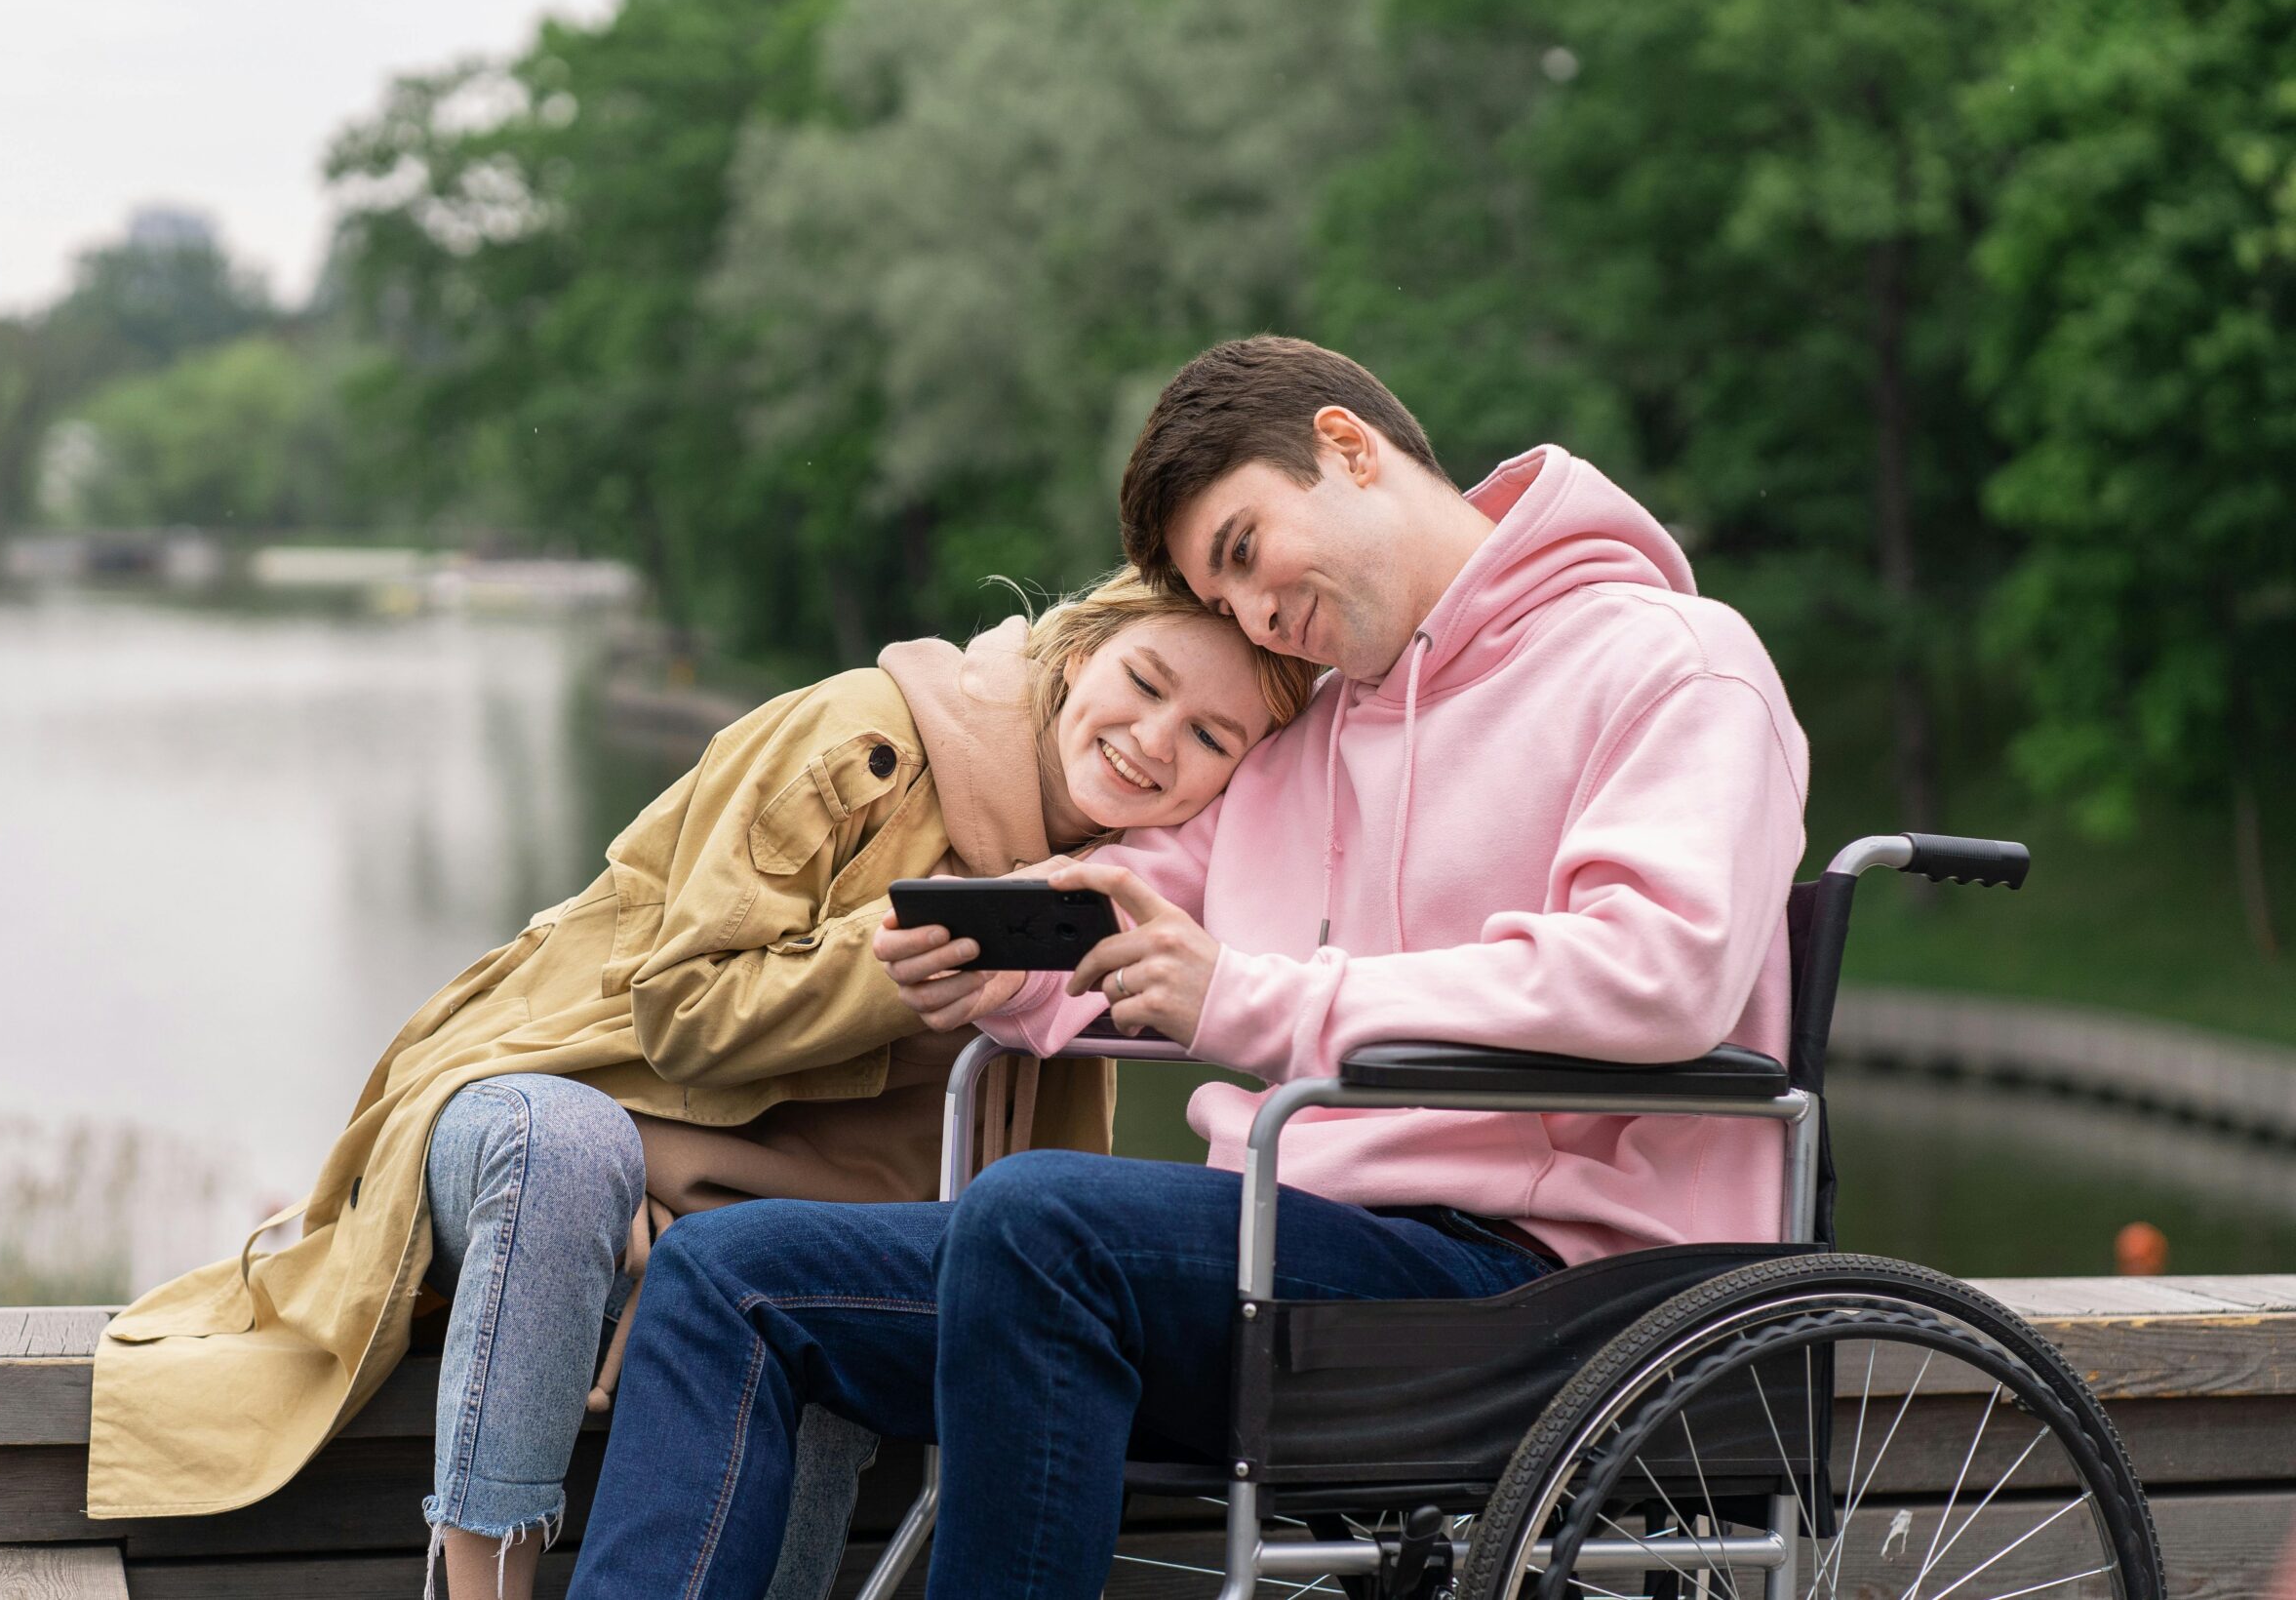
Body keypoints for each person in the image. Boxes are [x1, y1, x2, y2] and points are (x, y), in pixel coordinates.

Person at [562, 336, 1810, 1600]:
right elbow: (1123, 907)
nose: (1260, 617)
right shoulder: (1305, 742)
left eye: (1245, 551)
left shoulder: (1675, 662)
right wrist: (985, 955)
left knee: (1044, 1218)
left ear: (1347, 446)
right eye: (1225, 602)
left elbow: (1661, 970)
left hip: (1551, 1287)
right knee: (734, 1273)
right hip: (1293, 1258)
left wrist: (1256, 1000)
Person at [83, 567, 1317, 1600]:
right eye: (1144, 684)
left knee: (804, 1278)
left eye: (1211, 736)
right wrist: (883, 969)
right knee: (570, 1156)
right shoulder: (859, 735)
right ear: (1077, 650)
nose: (1155, 740)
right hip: (554, 1108)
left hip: (756, 1227)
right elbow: (676, 1011)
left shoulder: (1122, 898)